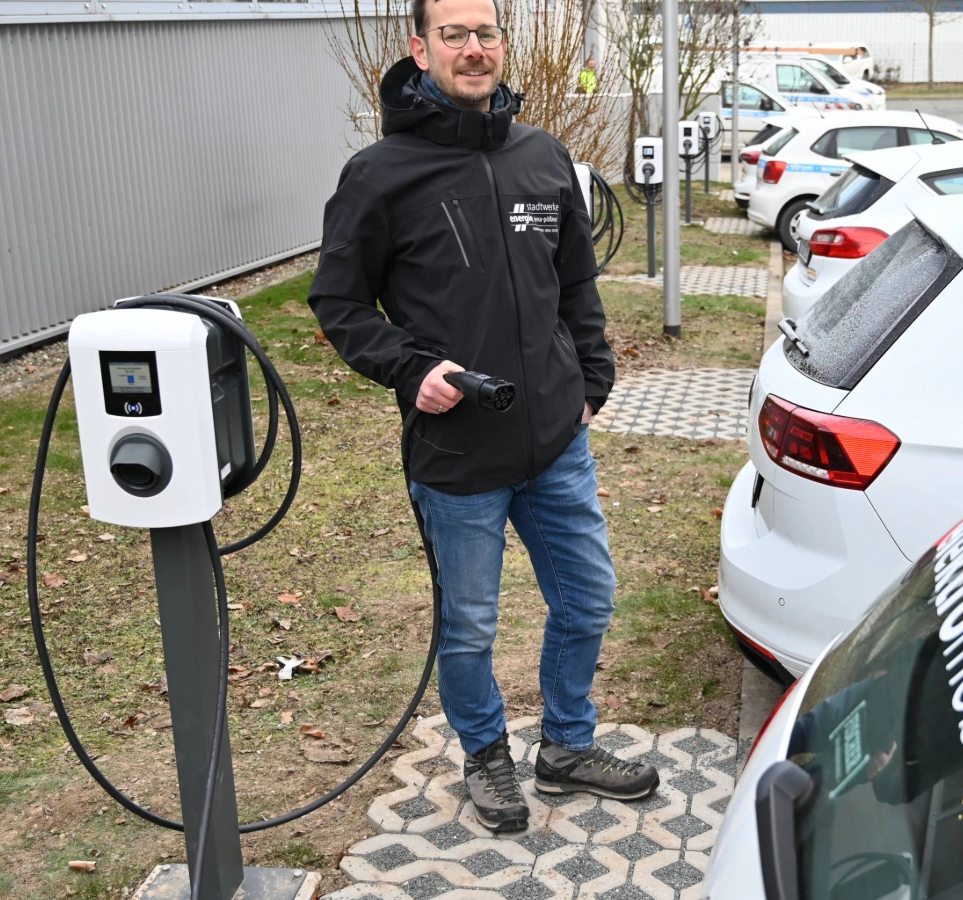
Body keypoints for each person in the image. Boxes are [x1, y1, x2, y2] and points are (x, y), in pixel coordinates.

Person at [306, 0, 657, 833]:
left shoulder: (544, 156)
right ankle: (485, 753)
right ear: (420, 48)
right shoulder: (380, 174)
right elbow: (339, 302)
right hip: (457, 453)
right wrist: (411, 369)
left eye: (486, 33)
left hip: (555, 446)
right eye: (455, 34)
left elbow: (575, 284)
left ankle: (567, 744)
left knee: (589, 599)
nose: (474, 49)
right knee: (468, 627)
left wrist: (591, 385)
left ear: (505, 44)